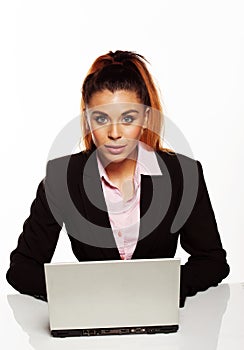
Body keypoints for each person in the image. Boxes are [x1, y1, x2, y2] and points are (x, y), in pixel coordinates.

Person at [6, 50, 230, 307]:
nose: (114, 133)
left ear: (146, 118)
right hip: (92, 321)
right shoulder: (62, 179)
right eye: (101, 119)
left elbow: (212, 261)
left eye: (127, 118)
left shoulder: (182, 174)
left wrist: (163, 288)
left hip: (158, 318)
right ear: (88, 120)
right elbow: (21, 268)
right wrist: (82, 293)